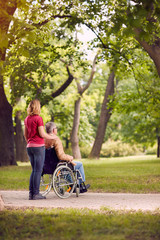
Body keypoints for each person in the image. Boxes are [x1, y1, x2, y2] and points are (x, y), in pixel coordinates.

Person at [24, 99, 57, 200]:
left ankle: (31, 194)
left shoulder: (26, 119)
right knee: (38, 171)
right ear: (38, 107)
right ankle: (36, 194)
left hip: (29, 147)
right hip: (38, 147)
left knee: (34, 170)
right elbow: (42, 134)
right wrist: (53, 137)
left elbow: (25, 134)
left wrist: (30, 142)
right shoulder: (38, 119)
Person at [45, 121, 90, 193]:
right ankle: (80, 185)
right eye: (56, 128)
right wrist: (70, 157)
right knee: (79, 164)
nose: (56, 129)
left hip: (47, 165)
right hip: (58, 164)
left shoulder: (43, 139)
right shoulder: (55, 139)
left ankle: (72, 185)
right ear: (53, 130)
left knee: (65, 168)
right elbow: (61, 156)